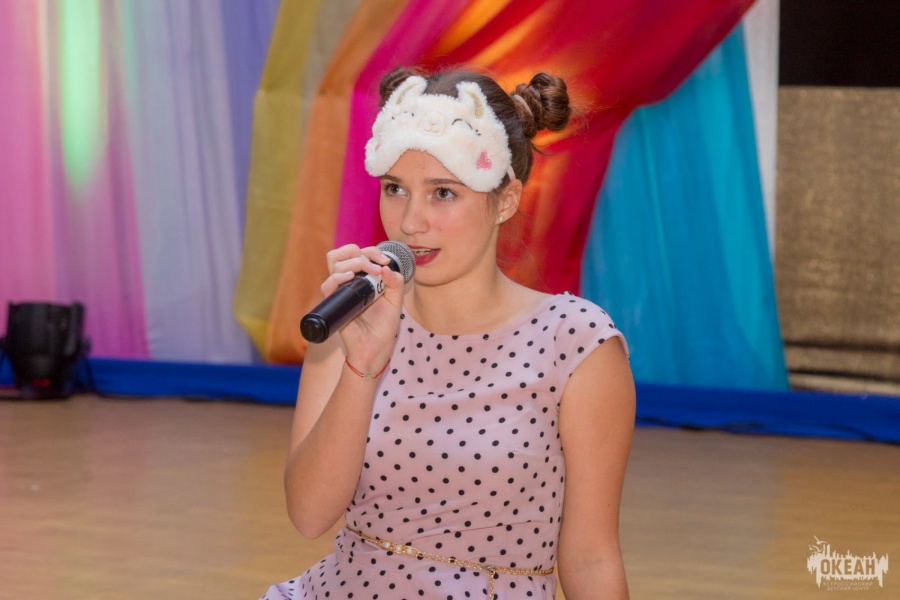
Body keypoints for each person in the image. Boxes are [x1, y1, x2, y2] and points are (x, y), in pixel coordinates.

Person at [262, 66, 635, 600]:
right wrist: (361, 368)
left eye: (443, 193)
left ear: (505, 199)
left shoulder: (575, 344)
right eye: (395, 189)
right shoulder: (350, 319)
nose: (411, 221)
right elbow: (309, 515)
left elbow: (591, 559)